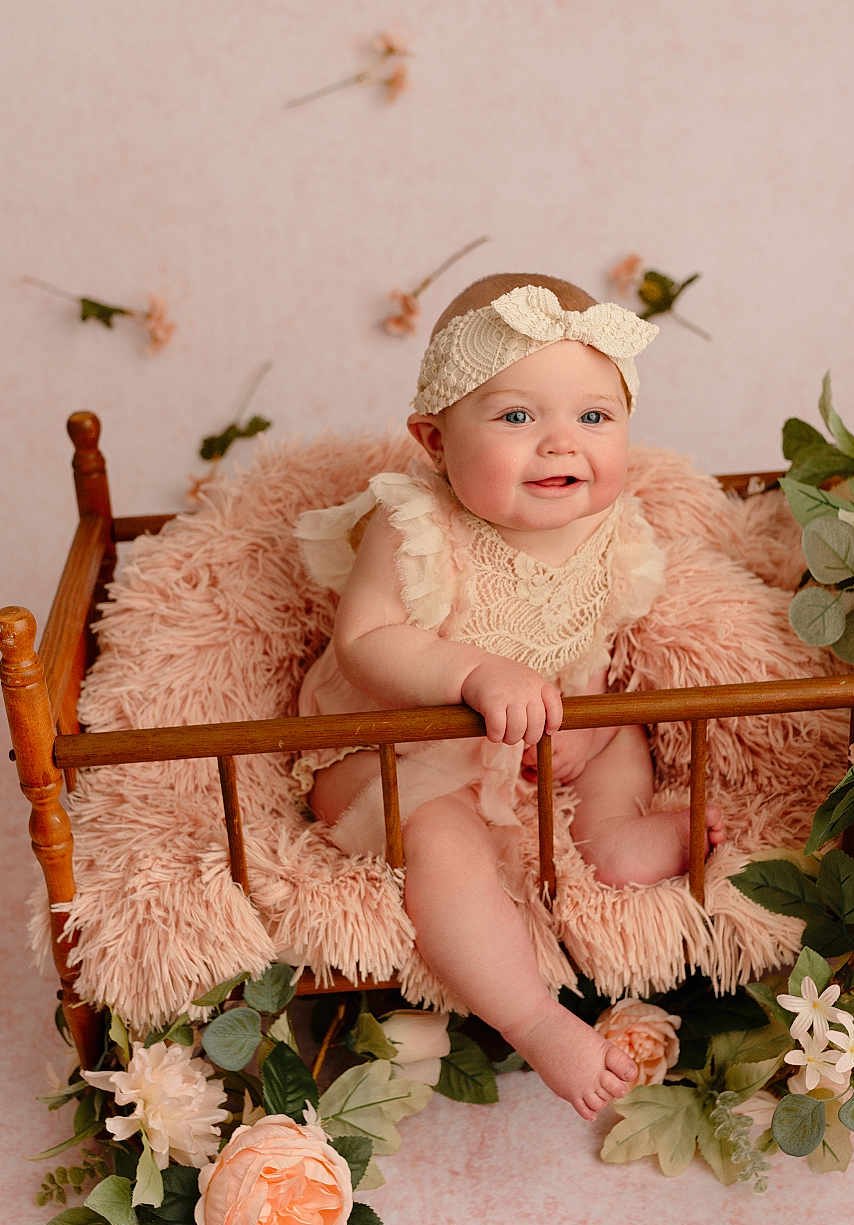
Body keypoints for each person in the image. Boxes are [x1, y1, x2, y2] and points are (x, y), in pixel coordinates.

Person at [292, 273, 724, 1117]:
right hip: (399, 742)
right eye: (517, 417)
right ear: (433, 439)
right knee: (440, 837)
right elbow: (368, 638)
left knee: (620, 733)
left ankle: (613, 836)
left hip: (547, 717)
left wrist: (580, 723)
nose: (561, 445)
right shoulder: (414, 523)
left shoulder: (613, 525)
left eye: (593, 418)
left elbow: (585, 636)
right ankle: (533, 1017)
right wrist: (472, 675)